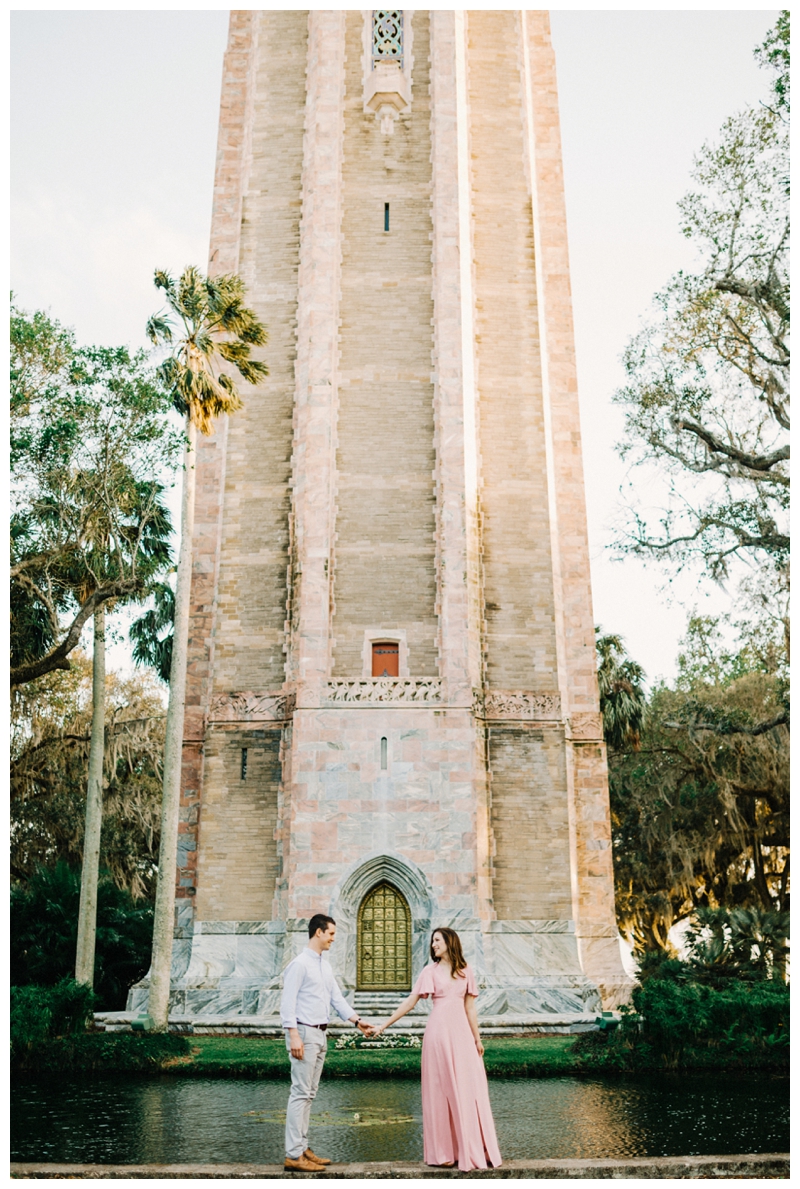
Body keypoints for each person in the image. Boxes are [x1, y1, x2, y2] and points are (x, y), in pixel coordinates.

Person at [372, 926, 502, 1171]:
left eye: (437, 940)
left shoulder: (466, 971)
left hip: (462, 1034)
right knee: (439, 1091)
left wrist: (477, 1039)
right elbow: (411, 1002)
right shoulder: (429, 972)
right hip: (437, 1035)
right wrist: (383, 1025)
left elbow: (470, 1009)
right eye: (432, 941)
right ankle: (444, 1153)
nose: (433, 945)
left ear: (449, 942)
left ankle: (472, 1148)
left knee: (468, 1089)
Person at [280, 913, 372, 1172]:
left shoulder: (324, 965)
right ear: (318, 932)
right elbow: (287, 1004)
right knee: (300, 1093)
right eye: (330, 933)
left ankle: (303, 1148)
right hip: (304, 1033)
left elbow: (336, 999)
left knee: (309, 1094)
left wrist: (357, 1021)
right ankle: (293, 1154)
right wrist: (294, 1035)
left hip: (321, 1034)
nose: (333, 938)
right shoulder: (299, 964)